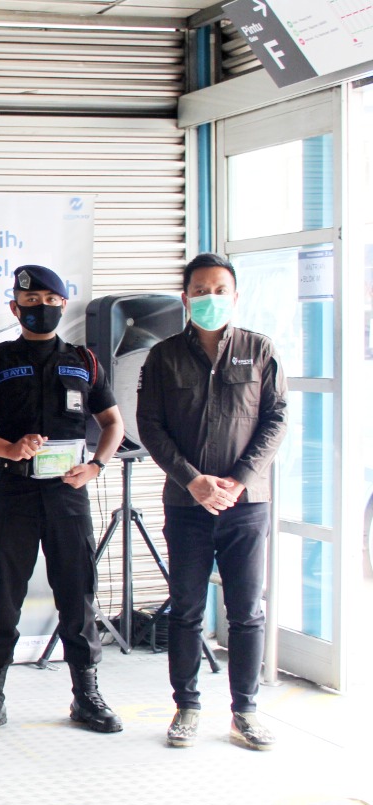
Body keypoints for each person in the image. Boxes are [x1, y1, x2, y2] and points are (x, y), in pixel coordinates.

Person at [0, 265, 126, 738]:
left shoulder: (84, 361)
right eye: (30, 301)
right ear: (15, 308)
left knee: (77, 597)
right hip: (14, 494)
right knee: (3, 596)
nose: (40, 308)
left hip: (68, 496)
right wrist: (7, 448)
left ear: (63, 305)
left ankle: (86, 696)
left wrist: (96, 466)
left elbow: (114, 423)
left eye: (50, 301)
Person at [136, 253, 287, 751]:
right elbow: (150, 426)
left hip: (247, 504)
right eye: (201, 291)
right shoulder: (163, 357)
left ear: (235, 296)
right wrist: (193, 481)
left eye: (220, 290)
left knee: (246, 611)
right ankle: (187, 706)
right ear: (185, 299)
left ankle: (246, 711)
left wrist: (239, 481)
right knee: (185, 609)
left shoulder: (259, 350)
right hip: (187, 506)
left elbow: (276, 419)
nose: (211, 298)